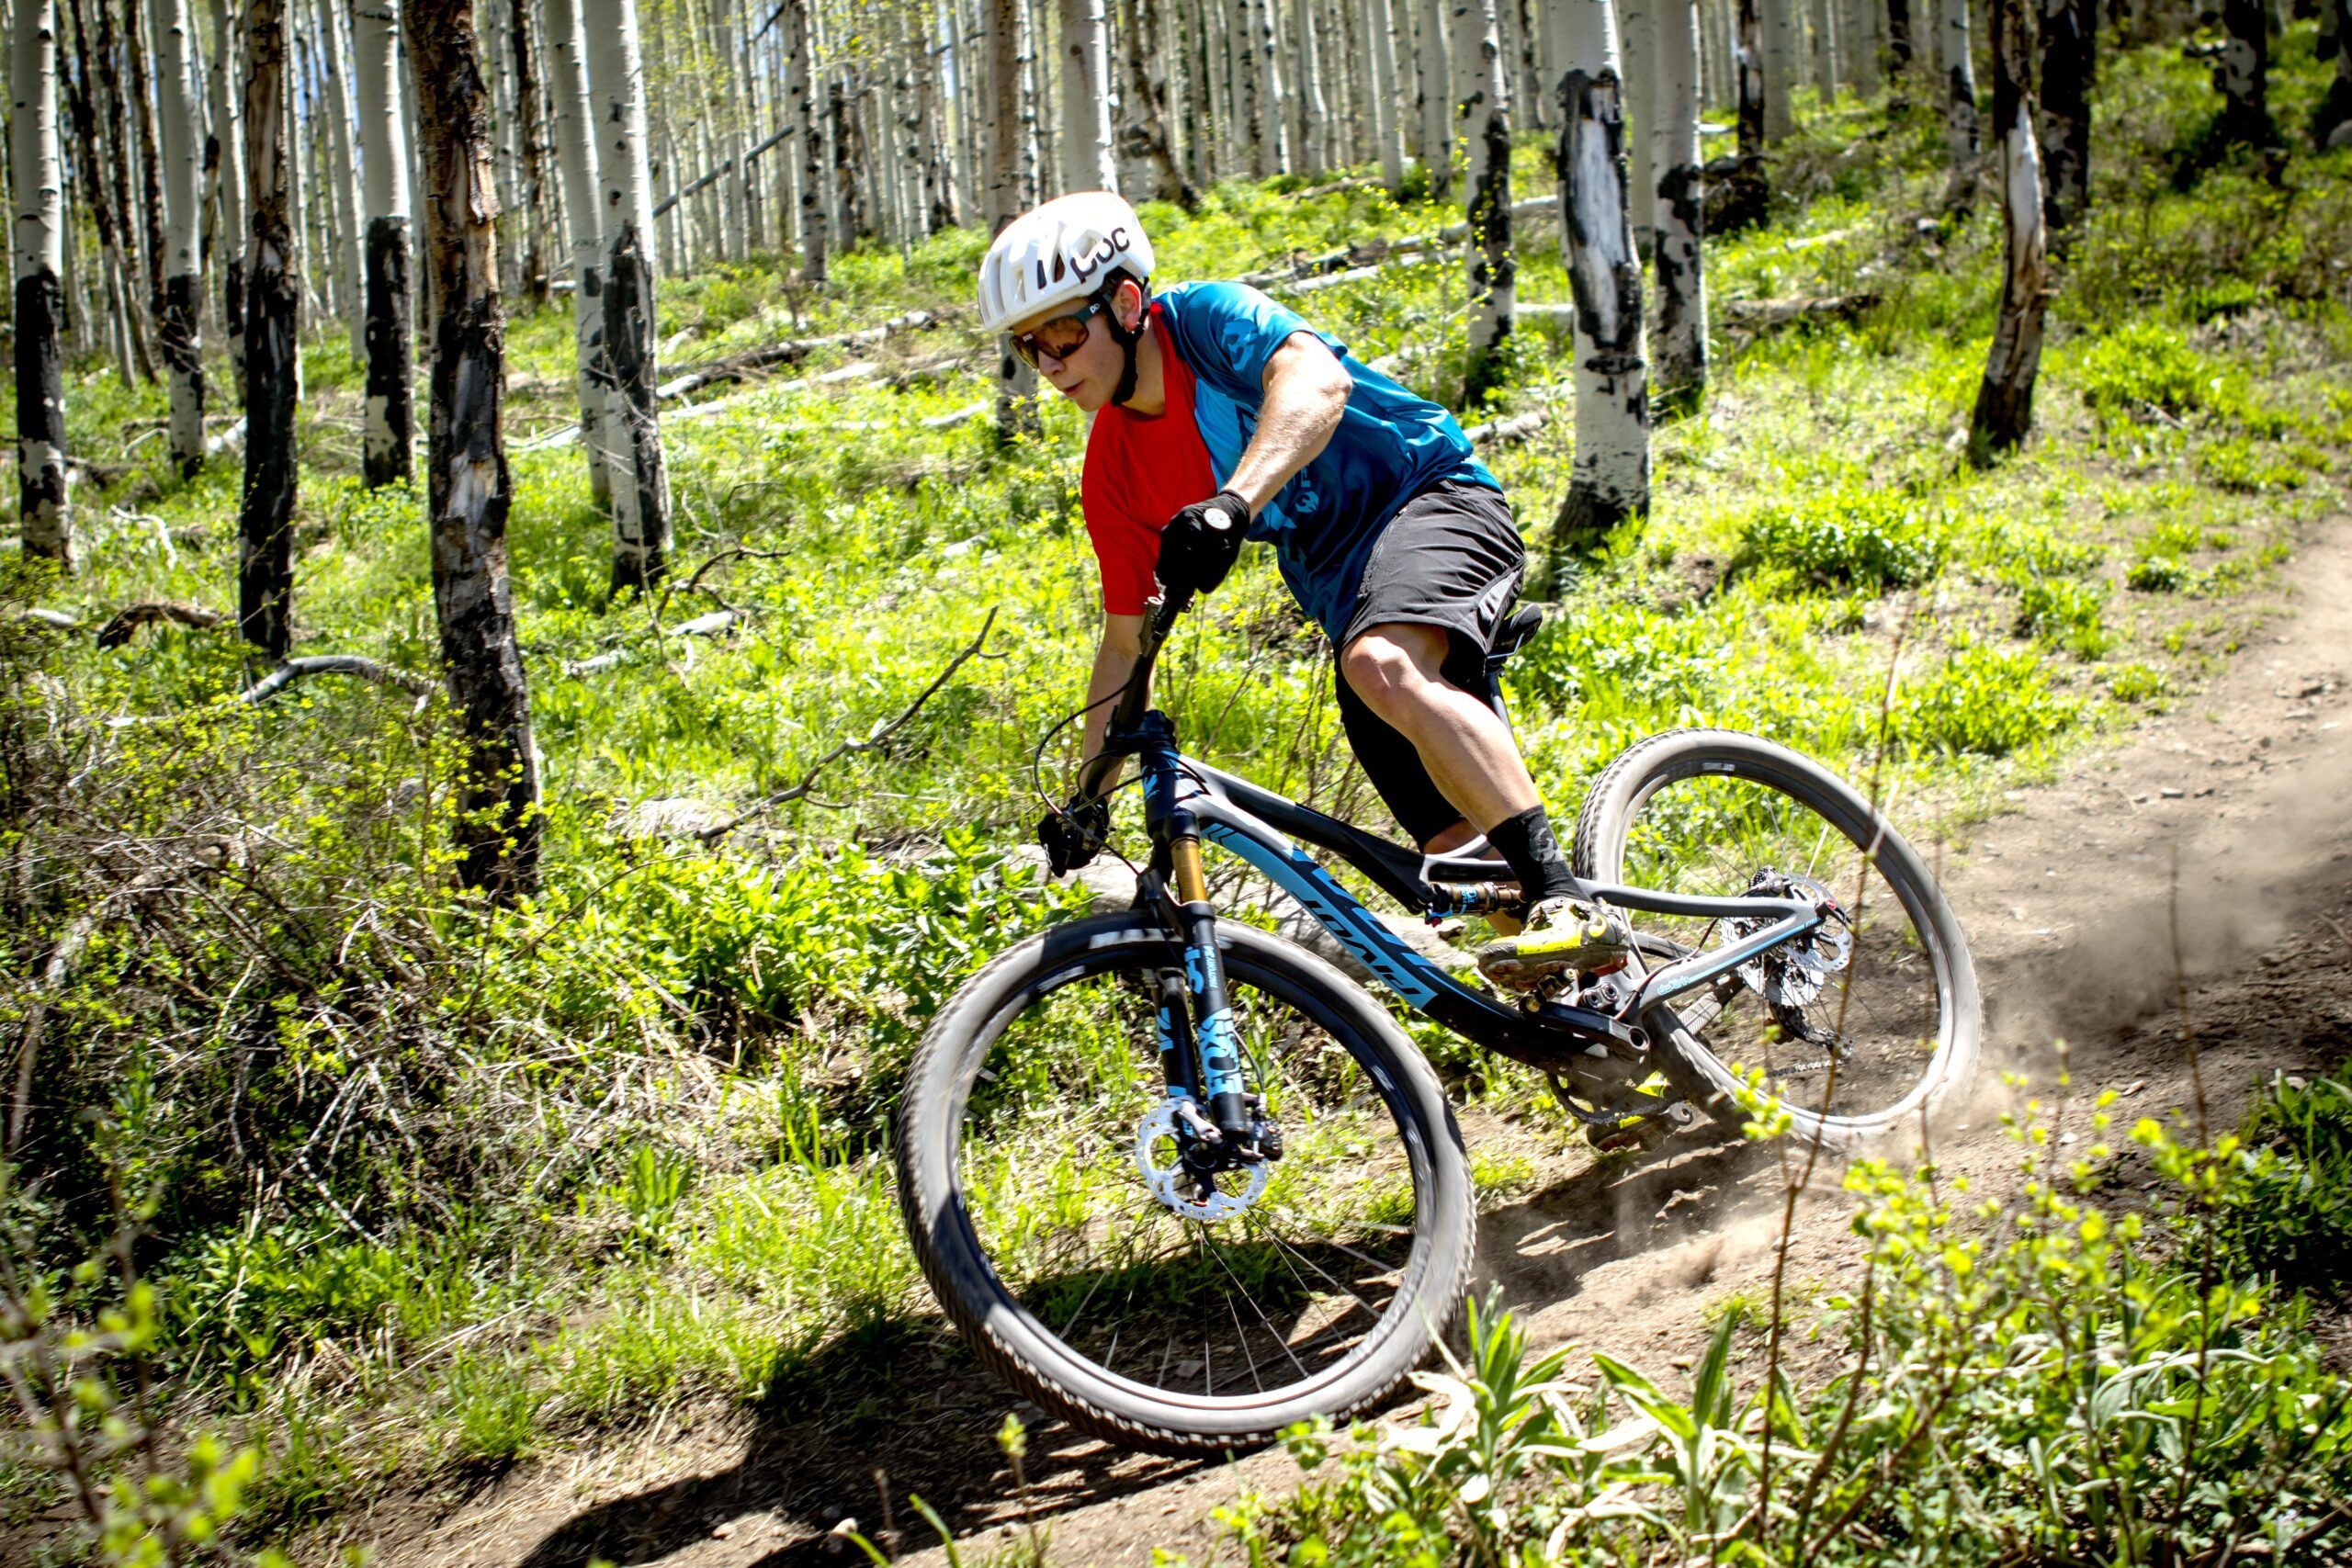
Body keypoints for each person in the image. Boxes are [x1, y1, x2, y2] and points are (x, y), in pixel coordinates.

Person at [984, 191, 1626, 989]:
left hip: (1431, 496)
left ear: (1123, 303)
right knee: (1461, 859)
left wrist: (1233, 501)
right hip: (1346, 589)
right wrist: (1088, 798)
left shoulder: (1205, 322)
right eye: (1027, 346)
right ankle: (1610, 1031)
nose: (1048, 365)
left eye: (1063, 333)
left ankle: (1569, 899)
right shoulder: (1114, 473)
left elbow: (1317, 383)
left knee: (1382, 666)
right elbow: (1125, 643)